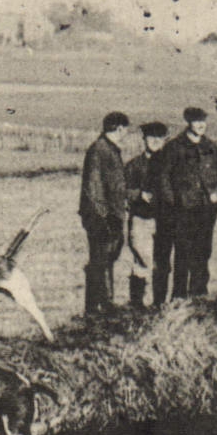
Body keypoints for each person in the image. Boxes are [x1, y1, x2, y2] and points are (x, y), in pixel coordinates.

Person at [156, 105, 217, 298]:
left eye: (203, 121)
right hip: (183, 210)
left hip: (206, 209)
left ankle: (199, 294)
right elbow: (164, 178)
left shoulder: (211, 147)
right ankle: (179, 296)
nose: (201, 125)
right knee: (183, 253)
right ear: (189, 123)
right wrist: (173, 202)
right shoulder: (174, 147)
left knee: (203, 252)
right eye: (197, 122)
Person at [78, 111, 129, 316]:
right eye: (125, 129)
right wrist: (105, 216)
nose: (126, 132)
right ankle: (100, 306)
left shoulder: (107, 149)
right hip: (101, 217)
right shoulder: (100, 150)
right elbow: (94, 187)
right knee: (100, 259)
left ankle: (99, 306)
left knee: (104, 259)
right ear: (119, 129)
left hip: (107, 215)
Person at [122, 121, 167, 309]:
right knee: (144, 259)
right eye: (152, 137)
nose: (156, 141)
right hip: (141, 219)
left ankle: (157, 303)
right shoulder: (134, 165)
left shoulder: (169, 165)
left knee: (160, 262)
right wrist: (140, 195)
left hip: (164, 220)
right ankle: (138, 302)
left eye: (160, 137)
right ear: (144, 139)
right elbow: (123, 191)